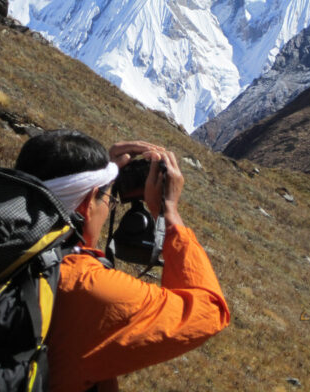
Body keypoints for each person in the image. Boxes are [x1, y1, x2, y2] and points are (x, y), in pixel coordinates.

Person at [13, 129, 230, 392]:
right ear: (85, 206)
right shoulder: (87, 288)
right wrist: (169, 213)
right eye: (107, 197)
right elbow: (207, 313)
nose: (110, 204)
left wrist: (101, 173)